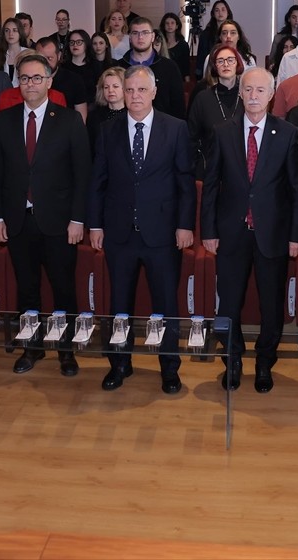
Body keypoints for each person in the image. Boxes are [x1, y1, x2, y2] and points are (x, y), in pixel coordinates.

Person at [87, 65, 196, 395]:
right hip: (119, 233)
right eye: (129, 90)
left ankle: (169, 368)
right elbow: (98, 181)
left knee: (165, 305)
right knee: (118, 304)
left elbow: (185, 183)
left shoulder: (175, 128)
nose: (134, 96)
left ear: (153, 92)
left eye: (140, 90)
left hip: (162, 234)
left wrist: (184, 225)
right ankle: (119, 364)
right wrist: (95, 223)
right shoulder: (108, 130)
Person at [201, 68, 298, 394]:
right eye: (249, 89)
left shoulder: (287, 133)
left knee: (271, 305)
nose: (255, 96)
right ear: (241, 93)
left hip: (272, 234)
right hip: (231, 233)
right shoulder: (222, 132)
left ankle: (264, 362)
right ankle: (232, 360)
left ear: (272, 94)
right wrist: (209, 230)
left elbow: (296, 190)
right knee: (229, 303)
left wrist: (297, 235)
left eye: (262, 90)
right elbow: (212, 187)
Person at [0, 54, 90, 377]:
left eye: (36, 78)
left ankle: (65, 350)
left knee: (62, 289)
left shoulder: (70, 119)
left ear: (49, 81)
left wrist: (77, 219)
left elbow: (82, 175)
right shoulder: (4, 119)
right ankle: (31, 347)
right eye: (24, 78)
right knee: (27, 289)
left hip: (59, 222)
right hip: (18, 220)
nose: (30, 84)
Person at [187, 44, 242, 177]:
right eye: (220, 61)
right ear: (215, 67)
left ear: (237, 64)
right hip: (209, 168)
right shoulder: (203, 98)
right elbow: (191, 136)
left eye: (230, 60)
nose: (225, 64)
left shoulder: (247, 96)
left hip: (242, 169)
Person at [117, 16, 186, 119]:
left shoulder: (169, 67)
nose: (140, 37)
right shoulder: (118, 67)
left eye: (145, 33)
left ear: (153, 37)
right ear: (130, 38)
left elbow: (178, 106)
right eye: (135, 33)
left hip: (163, 128)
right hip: (125, 127)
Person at [87, 67, 126, 151]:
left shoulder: (133, 114)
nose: (110, 90)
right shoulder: (93, 117)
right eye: (106, 87)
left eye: (115, 86)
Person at [194, 0, 232, 73]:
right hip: (210, 70)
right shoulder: (206, 34)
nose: (220, 13)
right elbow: (201, 57)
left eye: (223, 10)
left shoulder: (233, 31)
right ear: (213, 14)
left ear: (228, 13)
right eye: (217, 10)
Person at [64, 29, 101, 100]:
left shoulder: (95, 66)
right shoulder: (63, 67)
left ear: (86, 44)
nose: (75, 45)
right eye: (72, 42)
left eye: (79, 42)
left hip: (91, 107)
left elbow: (99, 91)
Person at [159, 12, 190, 79]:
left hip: (178, 77)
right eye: (167, 23)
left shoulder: (183, 44)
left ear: (177, 26)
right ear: (163, 26)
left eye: (172, 23)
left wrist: (187, 82)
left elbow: (186, 66)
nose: (170, 25)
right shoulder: (159, 43)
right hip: (161, 76)